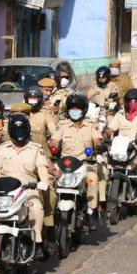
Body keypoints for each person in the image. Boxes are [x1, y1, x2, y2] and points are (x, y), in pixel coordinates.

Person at [0, 113, 52, 258]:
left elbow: (42, 168)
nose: (19, 133)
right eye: (16, 130)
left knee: (36, 208)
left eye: (22, 129)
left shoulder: (36, 149)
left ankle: (36, 243)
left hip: (27, 191)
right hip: (6, 195)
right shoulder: (2, 149)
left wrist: (43, 182)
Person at [49, 93, 103, 226]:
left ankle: (91, 211)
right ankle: (49, 216)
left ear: (84, 110)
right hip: (65, 165)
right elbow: (55, 139)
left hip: (85, 165)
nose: (74, 111)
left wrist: (98, 148)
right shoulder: (62, 124)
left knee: (93, 179)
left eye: (77, 108)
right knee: (49, 181)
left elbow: (97, 139)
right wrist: (53, 145)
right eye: (72, 108)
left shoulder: (91, 124)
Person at [106, 88, 137, 196]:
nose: (133, 103)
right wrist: (106, 134)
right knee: (104, 163)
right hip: (120, 150)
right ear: (126, 102)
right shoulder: (120, 114)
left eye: (136, 101)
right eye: (130, 101)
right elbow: (111, 128)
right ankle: (106, 189)